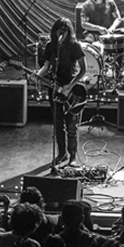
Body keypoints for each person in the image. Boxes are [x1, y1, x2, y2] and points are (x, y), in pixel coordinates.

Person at [36, 18, 86, 167]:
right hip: (54, 88)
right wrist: (38, 75)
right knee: (58, 124)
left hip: (71, 88)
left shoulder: (75, 46)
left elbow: (83, 70)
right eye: (59, 30)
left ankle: (73, 155)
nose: (61, 33)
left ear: (69, 31)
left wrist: (70, 86)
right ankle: (61, 153)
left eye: (64, 30)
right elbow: (46, 66)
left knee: (71, 125)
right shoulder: (51, 46)